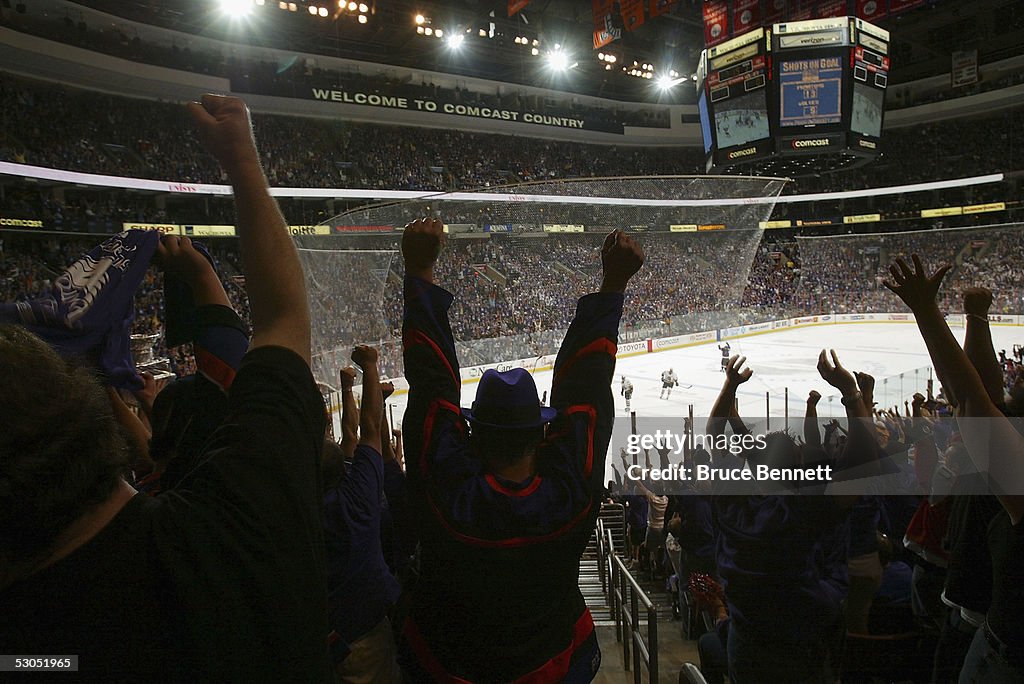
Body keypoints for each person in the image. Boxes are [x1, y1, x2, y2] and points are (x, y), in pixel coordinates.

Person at [0, 94, 331, 681]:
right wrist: (241, 162)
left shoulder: (27, 651)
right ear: (86, 418)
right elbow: (282, 319)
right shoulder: (233, 530)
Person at [397, 219, 643, 682]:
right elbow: (586, 395)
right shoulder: (569, 495)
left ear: (473, 435)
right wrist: (613, 285)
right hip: (553, 663)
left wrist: (420, 272)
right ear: (541, 433)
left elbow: (431, 390)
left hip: (445, 664)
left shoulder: (449, 494)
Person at [322, 345, 402, 681]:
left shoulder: (293, 509)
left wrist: (347, 385)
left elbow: (355, 435)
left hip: (323, 636)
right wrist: (369, 366)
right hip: (365, 634)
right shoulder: (357, 500)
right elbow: (367, 431)